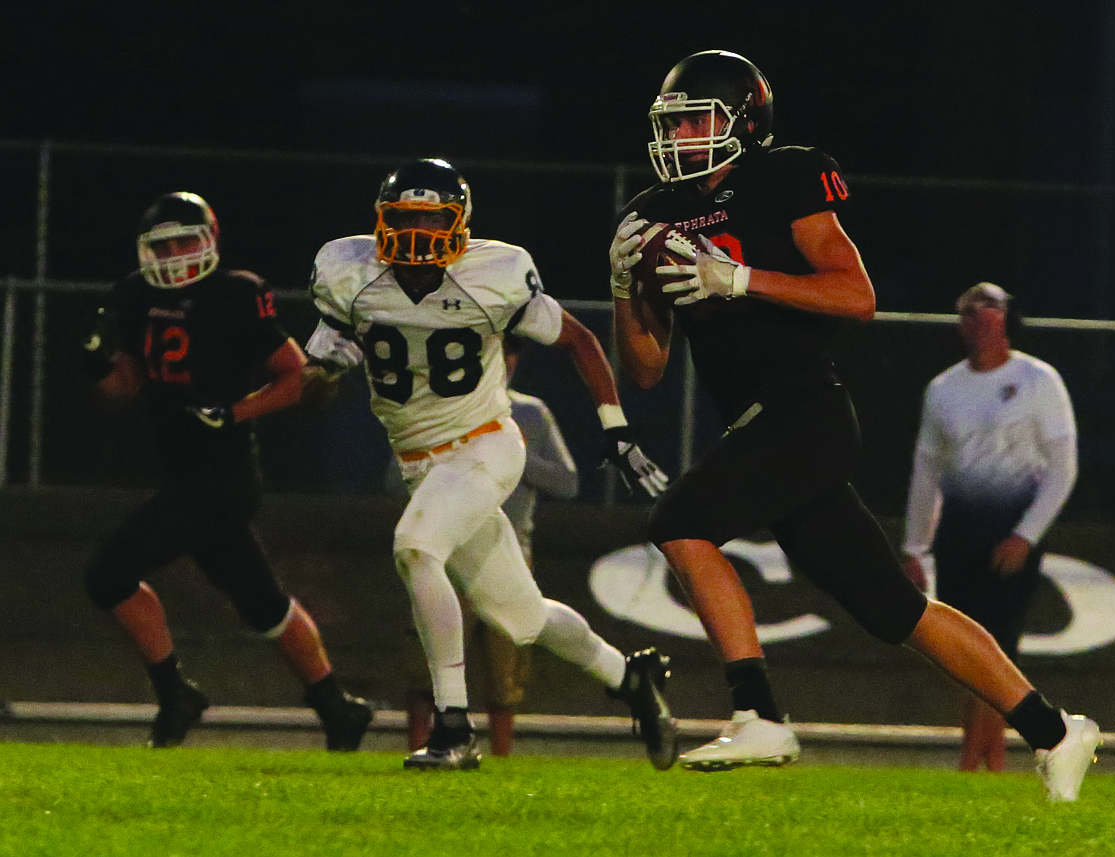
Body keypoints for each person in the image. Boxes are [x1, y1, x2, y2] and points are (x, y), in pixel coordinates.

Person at [608, 49, 1100, 800]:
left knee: (680, 518)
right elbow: (644, 369)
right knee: (895, 611)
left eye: (696, 119)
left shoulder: (784, 175)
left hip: (805, 408)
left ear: (745, 120)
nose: (680, 137)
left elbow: (855, 293)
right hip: (757, 424)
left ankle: (758, 712)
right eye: (671, 124)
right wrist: (621, 290)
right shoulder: (654, 212)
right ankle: (1058, 731)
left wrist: (741, 278)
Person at [302, 157, 676, 771]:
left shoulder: (493, 272)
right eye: (405, 219)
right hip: (422, 463)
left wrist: (615, 428)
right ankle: (629, 678)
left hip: (484, 443)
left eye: (432, 220)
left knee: (416, 547)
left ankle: (454, 727)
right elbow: (317, 373)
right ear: (380, 221)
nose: (418, 233)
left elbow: (580, 339)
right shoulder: (347, 272)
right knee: (523, 618)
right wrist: (321, 376)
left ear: (461, 225)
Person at [81, 192, 374, 751]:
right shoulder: (136, 295)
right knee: (262, 603)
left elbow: (299, 377)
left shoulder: (237, 293)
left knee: (107, 574)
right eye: (161, 245)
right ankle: (336, 706)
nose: (172, 254)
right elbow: (122, 390)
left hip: (222, 476)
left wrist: (234, 412)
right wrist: (96, 365)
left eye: (183, 241)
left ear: (209, 239)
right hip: (182, 472)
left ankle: (175, 694)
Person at [902, 282, 1078, 772]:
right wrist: (915, 546)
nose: (980, 318)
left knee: (1001, 644)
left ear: (1008, 318)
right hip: (958, 536)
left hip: (1010, 535)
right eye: (969, 310)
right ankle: (978, 754)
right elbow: (926, 471)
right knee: (964, 651)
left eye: (990, 308)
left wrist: (1026, 535)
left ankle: (987, 760)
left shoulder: (1039, 380)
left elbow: (1063, 467)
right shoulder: (943, 389)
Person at [405, 335, 580, 756]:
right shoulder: (440, 409)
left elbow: (568, 482)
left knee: (506, 668)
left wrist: (510, 454)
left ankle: (502, 757)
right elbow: (396, 476)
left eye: (507, 357)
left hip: (509, 550)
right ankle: (421, 747)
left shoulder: (529, 414)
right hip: (446, 550)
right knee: (428, 662)